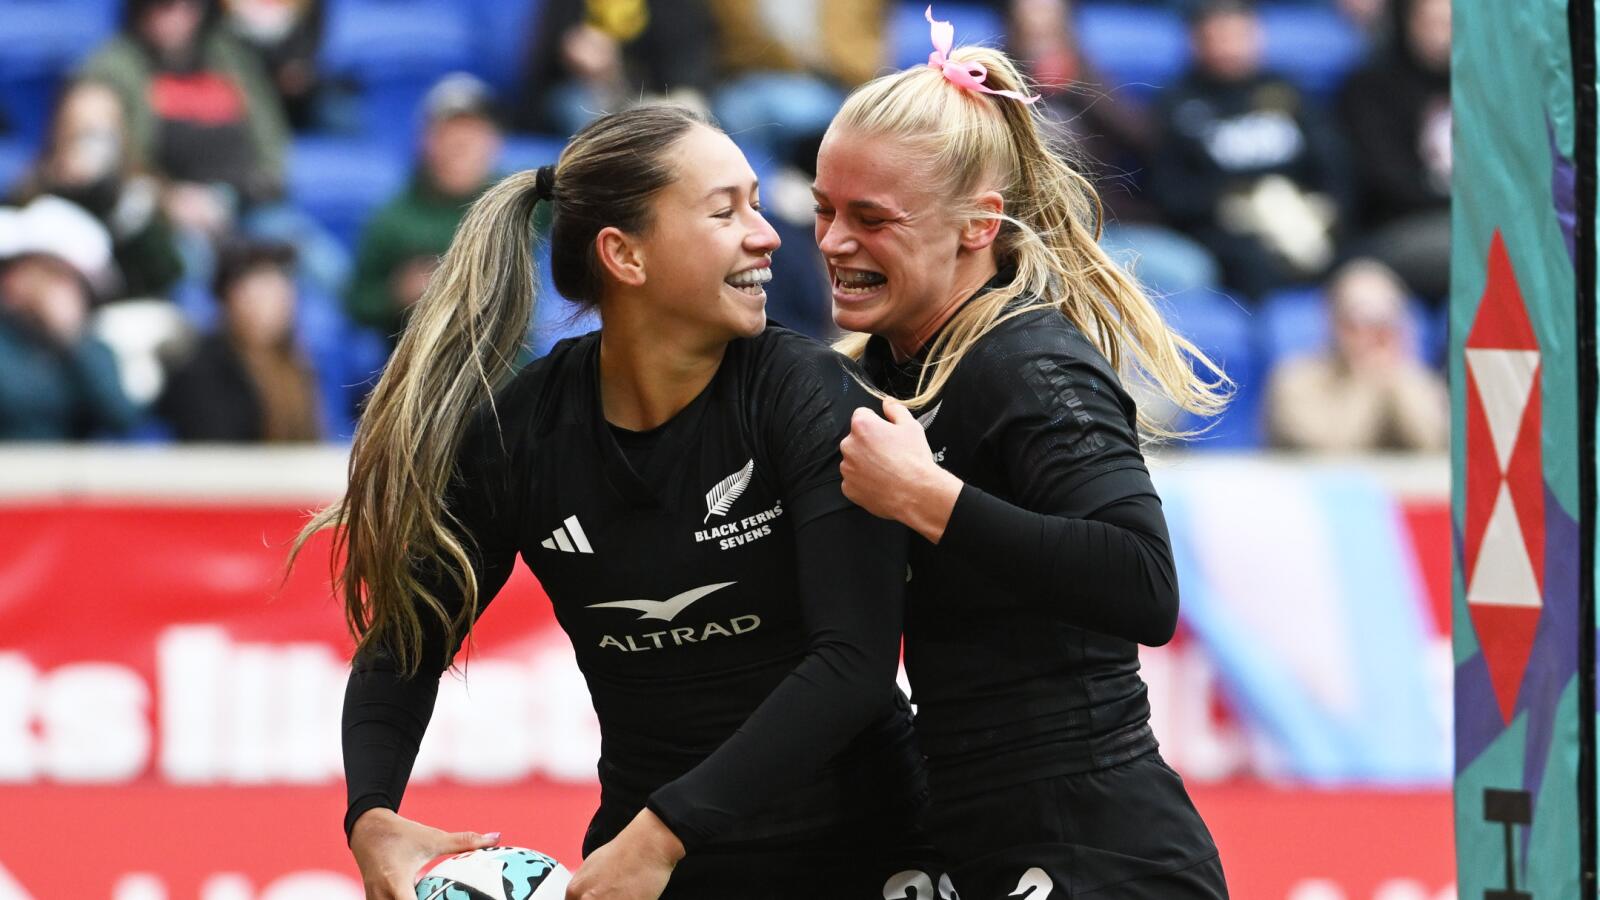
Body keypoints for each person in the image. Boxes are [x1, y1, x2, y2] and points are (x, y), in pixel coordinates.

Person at [296, 105, 931, 899]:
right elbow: (406, 644)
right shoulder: (526, 431)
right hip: (655, 870)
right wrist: (371, 816)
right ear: (624, 255)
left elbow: (855, 667)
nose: (767, 236)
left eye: (758, 204)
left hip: (867, 858)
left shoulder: (806, 397)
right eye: (724, 210)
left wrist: (663, 834)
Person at [813, 11, 1229, 897]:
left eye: (870, 218)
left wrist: (928, 498)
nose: (834, 242)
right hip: (974, 832)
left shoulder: (1026, 363)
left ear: (977, 225)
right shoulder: (888, 362)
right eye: (824, 209)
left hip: (1097, 850)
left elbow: (1143, 584)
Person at [1148, 0, 1350, 298]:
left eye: (1238, 34)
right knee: (1252, 263)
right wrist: (1231, 205)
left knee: (1353, 258)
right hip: (1224, 229)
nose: (1229, 47)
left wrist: (1321, 207)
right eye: (1218, 36)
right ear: (1196, 41)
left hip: (1300, 211)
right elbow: (1169, 191)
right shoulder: (1177, 103)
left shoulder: (1287, 91)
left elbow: (1334, 164)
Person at [346, 74, 504, 345]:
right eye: (451, 131)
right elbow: (357, 304)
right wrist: (398, 294)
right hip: (424, 365)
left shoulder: (516, 200)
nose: (462, 144)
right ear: (427, 141)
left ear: (494, 143)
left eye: (473, 131)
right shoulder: (394, 218)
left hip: (508, 363)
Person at [13, 79, 184, 302]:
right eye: (81, 130)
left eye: (100, 130)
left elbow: (166, 273)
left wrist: (110, 198)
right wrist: (62, 187)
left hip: (126, 304)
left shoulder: (140, 192)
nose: (91, 144)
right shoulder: (35, 186)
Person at [1265, 259, 1447, 452]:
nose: (1373, 333)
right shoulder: (1295, 380)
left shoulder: (1415, 380)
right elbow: (1329, 455)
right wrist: (1369, 381)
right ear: (1333, 322)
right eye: (1359, 321)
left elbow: (1433, 446)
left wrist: (1398, 381)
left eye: (1385, 322)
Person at [1338, 0, 1450, 301]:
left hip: (1467, 222)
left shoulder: (1486, 88)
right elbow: (1389, 182)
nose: (1444, 35)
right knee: (1487, 250)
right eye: (1433, 23)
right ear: (1405, 22)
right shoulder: (1370, 88)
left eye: (1452, 23)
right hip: (1398, 226)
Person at [160, 241, 322, 442]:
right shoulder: (201, 370)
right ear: (229, 297)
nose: (274, 302)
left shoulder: (295, 364)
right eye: (261, 290)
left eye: (280, 290)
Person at [0, 250, 139, 441]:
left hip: (70, 466)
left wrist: (71, 336)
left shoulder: (91, 348)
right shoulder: (7, 342)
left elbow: (121, 417)